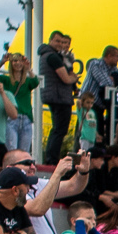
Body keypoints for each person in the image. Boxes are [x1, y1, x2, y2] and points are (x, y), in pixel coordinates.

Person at [39, 31, 77, 163]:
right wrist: (74, 78)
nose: (60, 44)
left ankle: (51, 158)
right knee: (59, 130)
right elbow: (66, 78)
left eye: (62, 42)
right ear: (50, 41)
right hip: (59, 96)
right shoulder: (53, 57)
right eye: (57, 41)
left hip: (56, 96)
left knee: (58, 129)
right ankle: (52, 159)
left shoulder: (50, 56)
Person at [1, 52, 38, 155]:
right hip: (12, 118)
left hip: (26, 118)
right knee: (11, 150)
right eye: (14, 61)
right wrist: (1, 62)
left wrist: (29, 68)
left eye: (20, 61)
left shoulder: (27, 82)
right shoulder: (6, 80)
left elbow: (35, 82)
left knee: (24, 153)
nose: (18, 63)